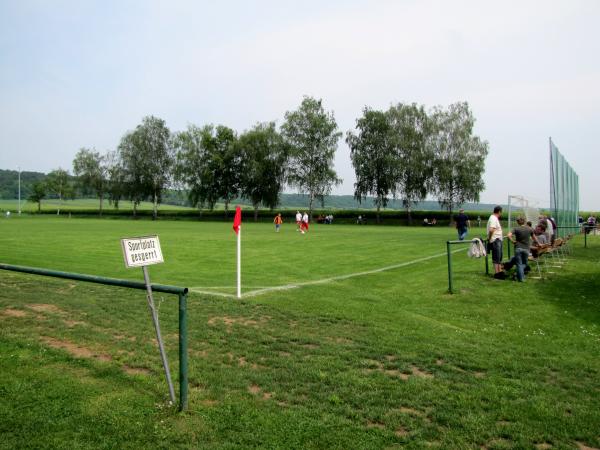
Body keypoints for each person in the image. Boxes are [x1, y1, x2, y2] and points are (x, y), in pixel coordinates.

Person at [506, 217, 539, 282]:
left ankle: (520, 277)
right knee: (525, 264)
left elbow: (508, 235)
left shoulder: (516, 229)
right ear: (524, 221)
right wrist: (539, 244)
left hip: (518, 248)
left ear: (518, 222)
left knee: (519, 264)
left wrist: (512, 241)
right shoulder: (530, 229)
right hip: (526, 249)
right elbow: (534, 238)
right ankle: (521, 278)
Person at [487, 206, 504, 278]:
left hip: (497, 240)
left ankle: (500, 272)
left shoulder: (494, 218)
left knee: (499, 257)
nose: (501, 214)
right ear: (499, 211)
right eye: (501, 212)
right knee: (496, 258)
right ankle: (497, 274)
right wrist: (489, 238)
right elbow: (491, 230)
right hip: (495, 240)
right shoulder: (493, 218)